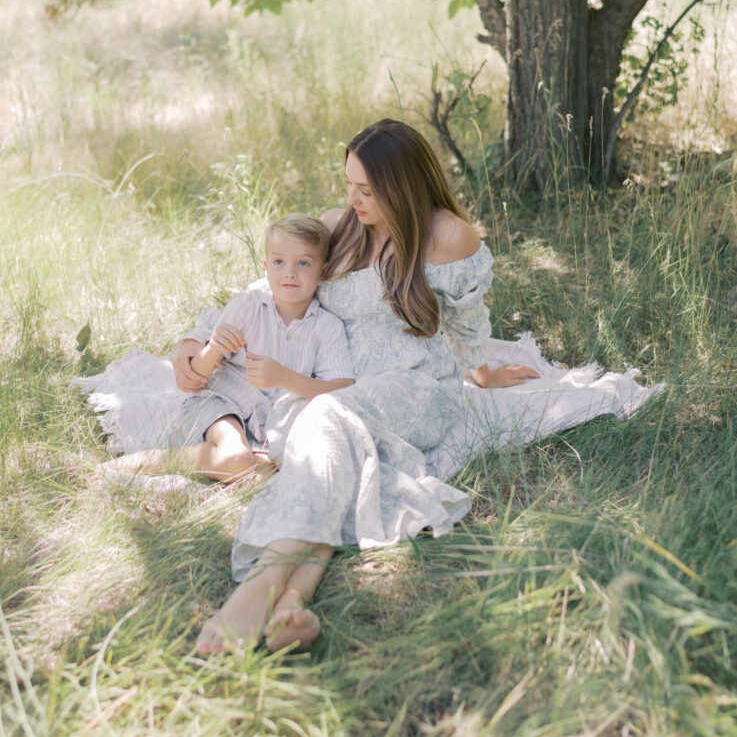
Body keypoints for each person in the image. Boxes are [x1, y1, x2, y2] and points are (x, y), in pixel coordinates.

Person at [174, 119, 541, 654]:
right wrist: (195, 336)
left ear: (405, 185)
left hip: (414, 389)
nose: (353, 199)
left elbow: (465, 328)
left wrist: (483, 374)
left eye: (367, 190)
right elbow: (274, 288)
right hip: (336, 386)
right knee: (331, 457)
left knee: (325, 423)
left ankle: (258, 588)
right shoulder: (340, 228)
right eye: (348, 184)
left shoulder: (446, 236)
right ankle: (294, 603)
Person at [101, 213, 354, 484]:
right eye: (279, 262)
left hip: (274, 426)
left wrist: (284, 378)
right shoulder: (249, 307)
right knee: (235, 459)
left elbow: (343, 391)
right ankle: (155, 460)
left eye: (303, 263)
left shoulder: (326, 327)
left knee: (273, 479)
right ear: (266, 267)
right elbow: (193, 381)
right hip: (222, 404)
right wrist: (212, 349)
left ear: (323, 270)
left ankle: (243, 464)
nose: (289, 272)